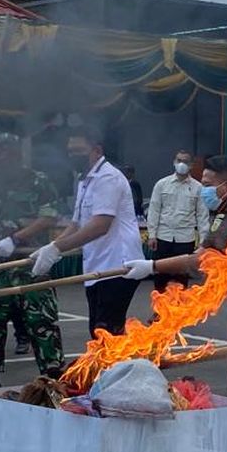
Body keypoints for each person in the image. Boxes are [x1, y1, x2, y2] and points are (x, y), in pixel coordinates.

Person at [122, 155, 227, 452]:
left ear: (226, 185)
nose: (203, 189)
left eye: (207, 184)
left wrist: (152, 266)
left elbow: (203, 259)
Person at [0, 133, 65, 387]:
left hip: (30, 264)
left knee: (43, 326)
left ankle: (53, 385)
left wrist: (16, 239)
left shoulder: (38, 181)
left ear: (15, 154)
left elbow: (49, 217)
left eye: (1, 153)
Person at [31, 126, 144, 337]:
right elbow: (76, 224)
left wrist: (57, 248)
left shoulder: (107, 178)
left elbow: (101, 225)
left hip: (118, 265)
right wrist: (50, 248)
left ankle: (118, 369)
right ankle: (112, 369)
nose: (73, 156)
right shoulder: (85, 180)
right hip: (98, 266)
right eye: (70, 151)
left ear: (97, 150)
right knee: (100, 331)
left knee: (105, 332)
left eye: (79, 150)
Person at [146, 150, 208, 293]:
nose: (181, 164)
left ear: (191, 165)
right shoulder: (162, 184)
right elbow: (154, 210)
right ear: (174, 162)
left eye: (185, 161)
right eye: (179, 160)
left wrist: (204, 242)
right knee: (161, 277)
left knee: (181, 279)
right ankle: (159, 311)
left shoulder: (198, 188)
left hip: (185, 239)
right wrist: (152, 235)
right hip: (163, 237)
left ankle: (179, 312)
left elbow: (202, 216)